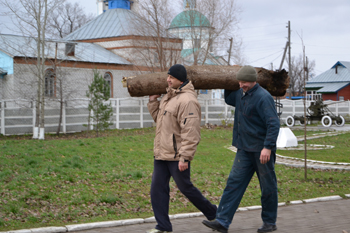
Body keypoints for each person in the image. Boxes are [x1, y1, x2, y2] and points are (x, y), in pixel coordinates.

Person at [202, 65, 280, 233]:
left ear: (253, 81)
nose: (241, 85)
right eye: (239, 82)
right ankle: (222, 221)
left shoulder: (263, 97)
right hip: (244, 149)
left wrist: (268, 147)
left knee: (268, 187)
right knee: (233, 183)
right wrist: (225, 82)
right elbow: (229, 98)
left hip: (261, 151)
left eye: (244, 82)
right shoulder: (240, 93)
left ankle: (269, 222)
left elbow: (273, 123)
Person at [146, 64, 217, 233]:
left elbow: (191, 131)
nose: (168, 80)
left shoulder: (188, 100)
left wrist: (185, 157)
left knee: (186, 188)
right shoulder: (168, 97)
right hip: (162, 154)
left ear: (181, 79)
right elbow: (161, 121)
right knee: (157, 190)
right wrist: (152, 101)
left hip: (177, 155)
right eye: (167, 77)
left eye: (171, 77)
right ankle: (162, 226)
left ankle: (214, 213)